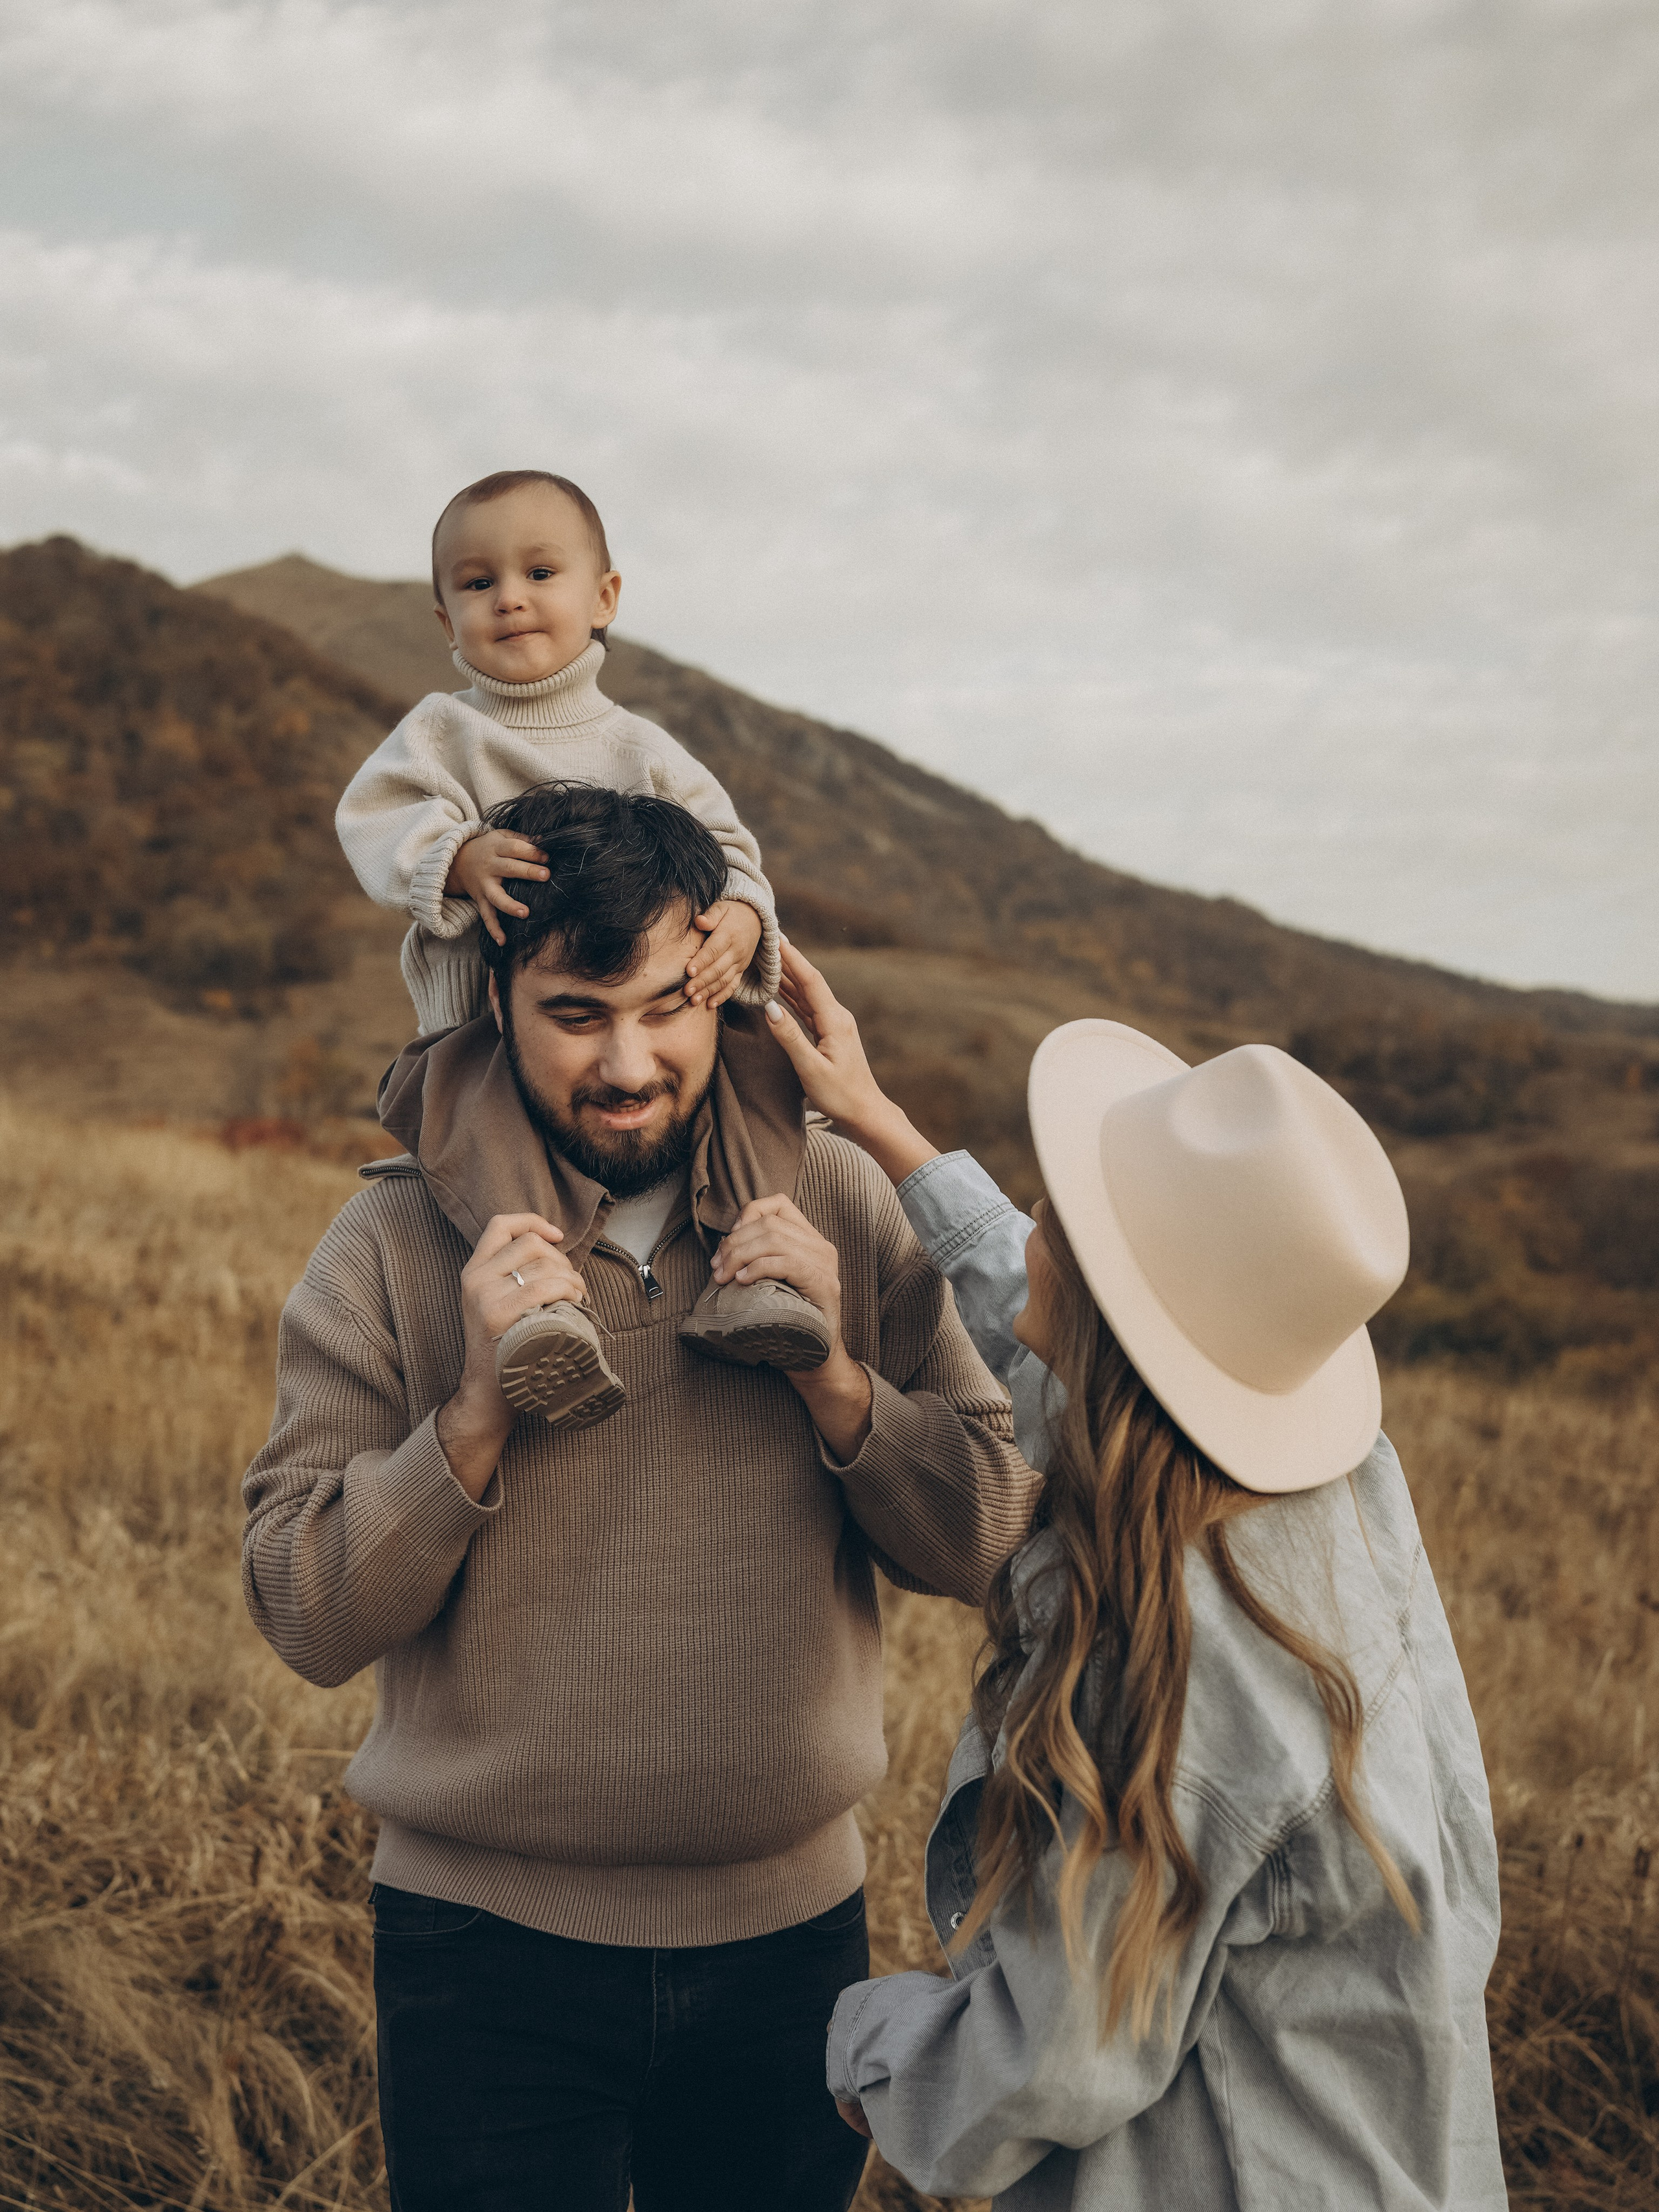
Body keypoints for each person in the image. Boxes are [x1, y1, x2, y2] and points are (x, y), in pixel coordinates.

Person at [240, 797, 1041, 2212]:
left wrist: (836, 1379)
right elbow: (305, 1610)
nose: (628, 1062)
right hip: (482, 1957)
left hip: (790, 1949)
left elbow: (989, 1536)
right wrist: (475, 1413)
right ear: (495, 1003)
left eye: (669, 1007)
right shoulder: (389, 1239)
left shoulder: (841, 1203)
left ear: (719, 989)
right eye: (576, 1014)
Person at [757, 944, 1506, 2209]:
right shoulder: (1317, 1483)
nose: (1034, 1218)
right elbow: (1059, 1312)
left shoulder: (1168, 1659)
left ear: (1111, 1312)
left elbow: (1059, 2054)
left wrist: (867, 2051)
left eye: (1061, 1211)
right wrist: (878, 1121)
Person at [336, 467, 828, 1416]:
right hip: (490, 1032)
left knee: (759, 1076)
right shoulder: (443, 735)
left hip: (643, 1003)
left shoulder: (642, 747)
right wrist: (455, 855)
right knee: (486, 1134)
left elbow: (730, 849)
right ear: (445, 621)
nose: (509, 598)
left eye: (539, 572)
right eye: (477, 583)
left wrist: (740, 915)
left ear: (604, 598)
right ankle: (539, 1311)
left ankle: (755, 1268)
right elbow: (374, 818)